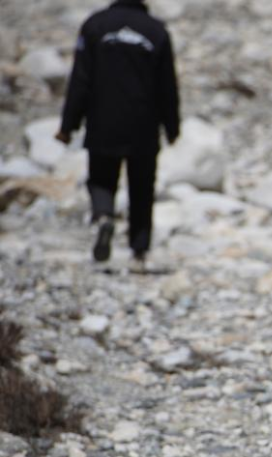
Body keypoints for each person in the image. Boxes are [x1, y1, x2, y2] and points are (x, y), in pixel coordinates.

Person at [56, 0, 180, 268]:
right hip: (144, 124)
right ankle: (139, 251)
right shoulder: (156, 31)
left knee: (101, 178)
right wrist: (172, 127)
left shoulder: (95, 25)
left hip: (103, 120)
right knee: (142, 187)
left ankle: (103, 217)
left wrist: (68, 125)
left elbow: (80, 79)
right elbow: (167, 84)